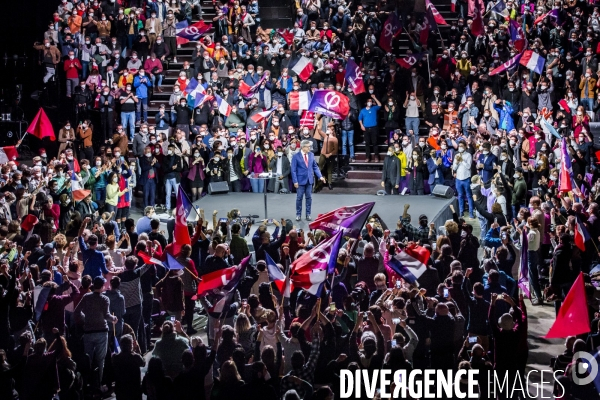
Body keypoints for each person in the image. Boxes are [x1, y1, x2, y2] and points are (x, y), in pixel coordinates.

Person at [291, 140, 326, 221]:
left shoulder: (311, 155)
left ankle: (308, 214)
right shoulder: (296, 156)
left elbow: (315, 167)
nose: (310, 148)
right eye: (308, 147)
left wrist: (320, 176)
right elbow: (293, 170)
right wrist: (295, 181)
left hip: (309, 180)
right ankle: (298, 214)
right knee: (299, 198)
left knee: (309, 198)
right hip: (300, 181)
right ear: (303, 147)